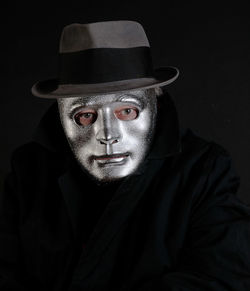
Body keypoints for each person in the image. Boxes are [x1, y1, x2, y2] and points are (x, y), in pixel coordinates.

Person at [1, 20, 250, 291]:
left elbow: (220, 277)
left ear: (155, 103)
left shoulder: (203, 171)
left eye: (127, 111)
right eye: (85, 115)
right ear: (61, 116)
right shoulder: (29, 171)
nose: (108, 135)